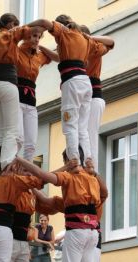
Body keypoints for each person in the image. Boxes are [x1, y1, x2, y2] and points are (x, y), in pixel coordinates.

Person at [15, 155, 105, 262]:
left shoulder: (70, 178)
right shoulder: (92, 180)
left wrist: (21, 160)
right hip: (93, 234)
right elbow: (106, 193)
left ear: (69, 162)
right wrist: (94, 172)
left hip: (77, 230)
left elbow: (45, 176)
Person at [27, 16, 110, 164]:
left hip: (72, 82)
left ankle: (74, 161)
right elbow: (110, 44)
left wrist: (25, 28)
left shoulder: (65, 33)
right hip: (85, 83)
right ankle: (88, 161)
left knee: (70, 124)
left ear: (61, 25)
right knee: (83, 129)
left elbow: (46, 23)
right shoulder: (85, 40)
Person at [0, 13, 36, 176]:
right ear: (10, 24)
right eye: (16, 23)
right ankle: (7, 164)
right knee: (12, 130)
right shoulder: (11, 35)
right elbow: (29, 30)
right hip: (7, 85)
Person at [80, 25, 114, 171]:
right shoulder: (80, 50)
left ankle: (91, 169)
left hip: (93, 94)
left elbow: (110, 42)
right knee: (81, 133)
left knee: (90, 133)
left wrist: (89, 38)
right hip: (85, 94)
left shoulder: (93, 48)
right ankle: (84, 165)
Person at [16, 29, 51, 161]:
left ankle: (26, 171)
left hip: (31, 101)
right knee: (18, 138)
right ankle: (8, 167)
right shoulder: (16, 52)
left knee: (31, 144)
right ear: (26, 37)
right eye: (33, 36)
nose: (36, 39)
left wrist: (40, 46)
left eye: (38, 37)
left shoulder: (39, 56)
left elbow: (58, 57)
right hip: (17, 100)